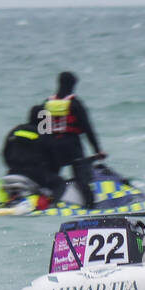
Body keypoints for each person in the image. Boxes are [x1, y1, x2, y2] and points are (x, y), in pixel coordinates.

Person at [34, 71, 104, 208]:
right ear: (73, 85)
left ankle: (43, 205)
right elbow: (88, 130)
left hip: (52, 149)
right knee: (82, 181)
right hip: (73, 147)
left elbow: (42, 130)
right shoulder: (75, 104)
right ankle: (91, 207)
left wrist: (43, 152)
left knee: (49, 181)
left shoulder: (47, 103)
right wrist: (98, 150)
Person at [0, 123, 60, 207]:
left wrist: (13, 166)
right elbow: (54, 158)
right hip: (34, 174)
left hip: (11, 173)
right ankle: (55, 204)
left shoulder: (17, 129)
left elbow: (5, 153)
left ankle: (4, 203)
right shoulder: (44, 133)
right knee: (59, 183)